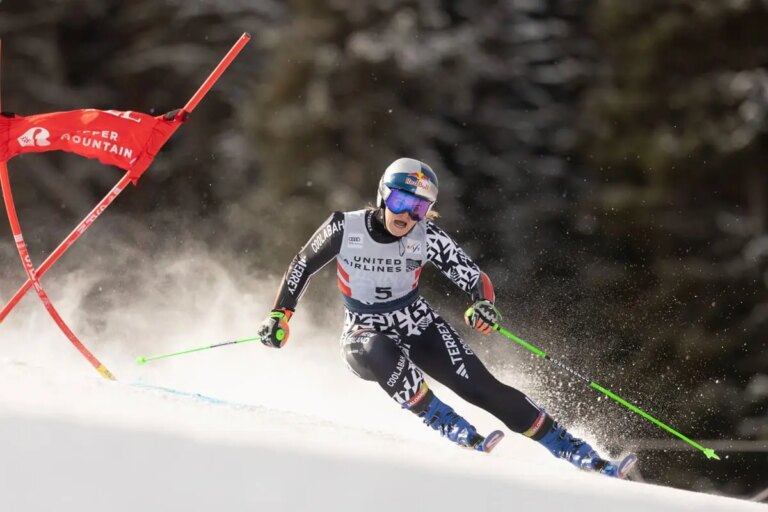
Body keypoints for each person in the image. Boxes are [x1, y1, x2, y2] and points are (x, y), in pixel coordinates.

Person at [256, 158, 637, 478]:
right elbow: (302, 265)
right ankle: (442, 419)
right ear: (384, 195)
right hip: (363, 329)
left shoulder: (427, 236)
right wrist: (280, 315)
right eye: (401, 201)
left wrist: (483, 303)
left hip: (417, 322)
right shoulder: (344, 226)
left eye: (419, 208)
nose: (407, 215)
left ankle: (575, 451)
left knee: (482, 388)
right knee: (377, 348)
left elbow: (474, 277)